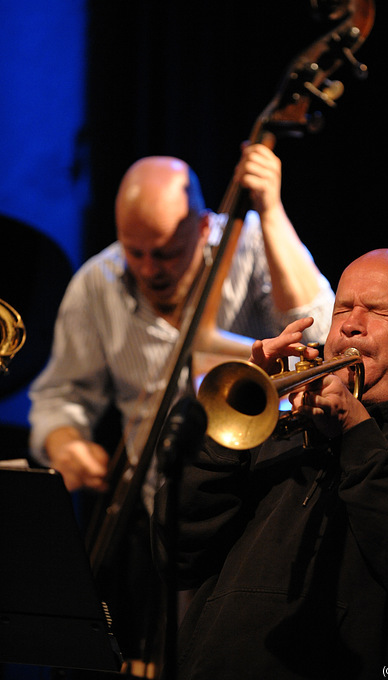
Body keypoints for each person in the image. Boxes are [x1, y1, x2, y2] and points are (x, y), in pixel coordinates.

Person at [152, 248, 388, 679]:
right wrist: (229, 435)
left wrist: (357, 436)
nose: (350, 324)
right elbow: (175, 556)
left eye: (379, 311)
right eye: (343, 307)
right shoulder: (274, 426)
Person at [28, 146, 334, 664]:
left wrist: (272, 212)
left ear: (203, 224)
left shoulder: (252, 245)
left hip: (260, 516)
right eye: (136, 251)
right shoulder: (98, 282)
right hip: (159, 528)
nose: (150, 269)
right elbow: (60, 395)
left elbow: (321, 331)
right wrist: (65, 442)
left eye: (167, 252)